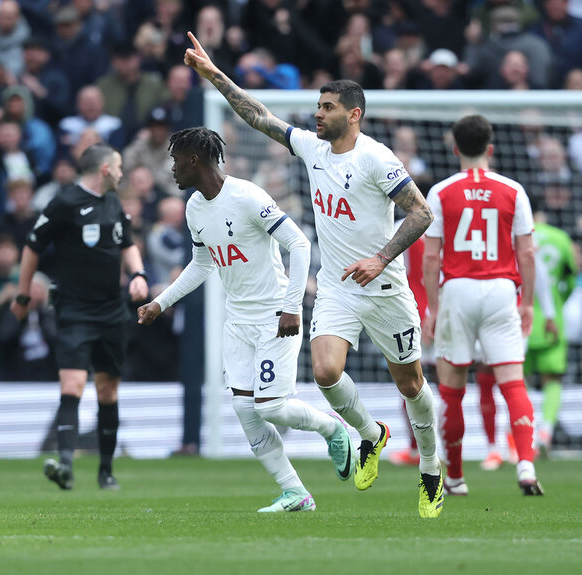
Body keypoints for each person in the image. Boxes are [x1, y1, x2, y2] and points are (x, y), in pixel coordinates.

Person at [184, 32, 444, 518]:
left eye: (327, 107)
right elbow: (257, 115)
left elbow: (422, 213)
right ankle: (371, 434)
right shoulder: (312, 148)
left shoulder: (377, 159)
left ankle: (431, 471)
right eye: (318, 106)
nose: (317, 113)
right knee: (325, 372)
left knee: (411, 385)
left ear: (354, 114)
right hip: (338, 288)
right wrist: (215, 74)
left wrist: (381, 257)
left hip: (385, 288)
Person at [137, 127, 355, 513]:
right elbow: (202, 264)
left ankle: (333, 427)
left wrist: (292, 306)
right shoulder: (194, 208)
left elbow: (300, 244)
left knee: (271, 407)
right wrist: (161, 302)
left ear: (194, 160)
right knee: (243, 409)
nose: (171, 169)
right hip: (237, 321)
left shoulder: (248, 196)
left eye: (175, 161)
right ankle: (296, 493)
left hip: (275, 314)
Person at [10, 143, 149, 491]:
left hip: (111, 310)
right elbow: (33, 246)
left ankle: (105, 472)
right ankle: (67, 466)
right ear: (104, 169)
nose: (121, 173)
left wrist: (138, 275)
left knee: (107, 390)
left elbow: (127, 243)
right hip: (73, 309)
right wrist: (24, 294)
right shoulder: (64, 202)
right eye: (117, 166)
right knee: (71, 385)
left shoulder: (114, 203)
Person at [422, 114, 541, 497]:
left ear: (455, 149)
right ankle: (525, 464)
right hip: (501, 290)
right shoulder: (513, 190)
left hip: (457, 289)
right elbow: (527, 252)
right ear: (490, 149)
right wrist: (528, 303)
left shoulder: (440, 192)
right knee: (513, 383)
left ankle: (454, 478)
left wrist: (433, 306)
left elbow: (430, 257)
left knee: (452, 389)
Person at [524, 211, 576, 455]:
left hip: (519, 318)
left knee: (517, 382)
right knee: (552, 380)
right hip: (550, 318)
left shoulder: (518, 236)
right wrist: (558, 303)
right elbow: (571, 279)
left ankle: (520, 436)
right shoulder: (561, 238)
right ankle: (546, 430)